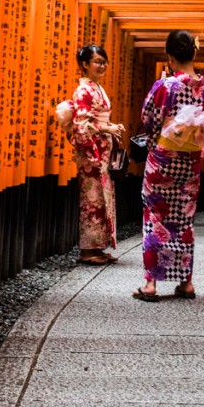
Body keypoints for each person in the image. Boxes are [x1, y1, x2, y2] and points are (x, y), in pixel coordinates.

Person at [133, 30, 204, 301]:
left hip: (163, 161)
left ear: (168, 55)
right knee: (184, 219)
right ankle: (186, 282)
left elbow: (149, 119)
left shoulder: (165, 86)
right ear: (194, 52)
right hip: (191, 162)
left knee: (155, 217)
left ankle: (151, 284)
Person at [68, 44, 125, 265]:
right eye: (97, 61)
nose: (102, 66)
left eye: (104, 61)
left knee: (103, 200)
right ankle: (87, 251)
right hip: (91, 155)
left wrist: (111, 126)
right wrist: (106, 128)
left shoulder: (96, 88)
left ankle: (98, 247)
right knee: (92, 201)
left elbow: (97, 120)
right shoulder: (83, 90)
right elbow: (81, 125)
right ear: (84, 64)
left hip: (103, 153)